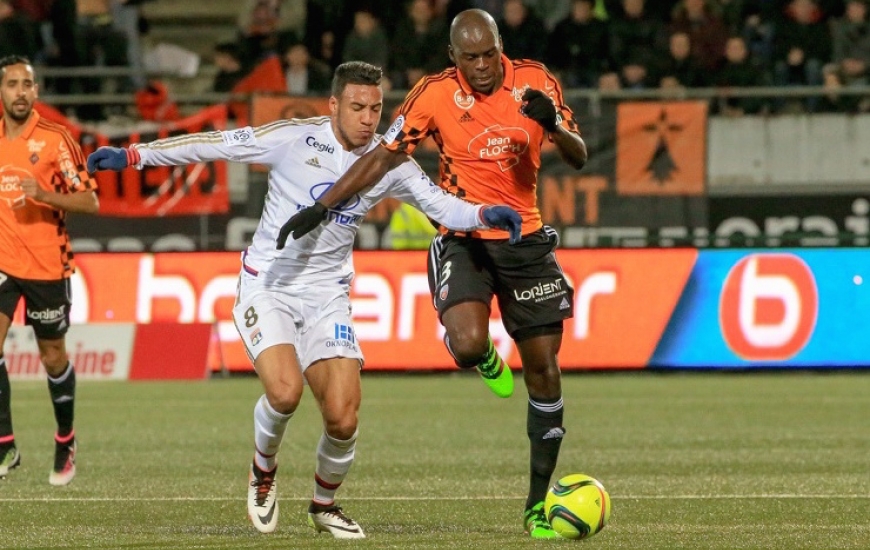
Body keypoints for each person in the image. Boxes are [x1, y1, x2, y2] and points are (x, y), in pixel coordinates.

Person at [86, 60, 522, 539]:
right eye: (357, 107)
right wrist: (134, 156)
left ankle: (324, 505)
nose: (367, 118)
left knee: (343, 416)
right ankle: (263, 471)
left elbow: (441, 204)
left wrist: (485, 212)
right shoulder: (295, 138)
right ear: (333, 105)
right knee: (285, 392)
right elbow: (212, 146)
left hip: (327, 296)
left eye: (376, 108)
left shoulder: (389, 159)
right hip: (268, 284)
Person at [276, 8, 587, 540]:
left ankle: (537, 504)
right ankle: (485, 355)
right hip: (462, 238)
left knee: (545, 374)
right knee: (466, 343)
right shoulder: (434, 93)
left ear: (500, 46)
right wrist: (324, 205)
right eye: (471, 58)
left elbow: (578, 157)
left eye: (490, 53)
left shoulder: (537, 81)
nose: (484, 66)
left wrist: (553, 125)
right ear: (454, 57)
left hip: (525, 241)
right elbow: (385, 157)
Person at [0, 55, 100, 485]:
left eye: (28, 84)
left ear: (36, 91)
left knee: (52, 356)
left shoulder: (57, 139)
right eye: (12, 84)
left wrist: (42, 193)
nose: (20, 92)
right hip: (3, 263)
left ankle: (65, 438)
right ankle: (5, 445)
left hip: (46, 264)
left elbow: (89, 201)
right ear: (1, 92)